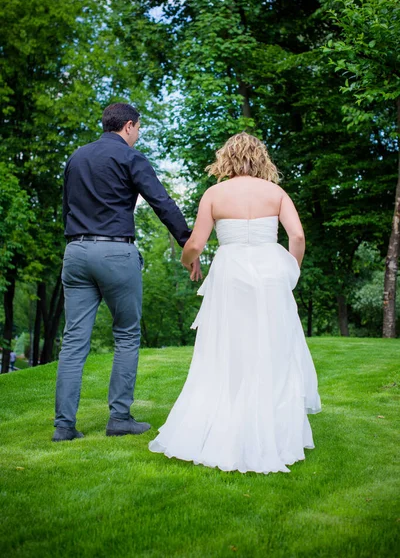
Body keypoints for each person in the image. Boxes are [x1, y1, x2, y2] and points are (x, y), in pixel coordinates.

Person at [149, 132, 321, 474]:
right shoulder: (276, 193)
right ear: (261, 159)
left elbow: (196, 243)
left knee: (227, 348)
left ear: (226, 159)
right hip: (271, 274)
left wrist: (188, 261)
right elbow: (298, 236)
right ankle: (271, 429)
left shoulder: (214, 194)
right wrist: (290, 270)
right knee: (272, 348)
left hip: (230, 276)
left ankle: (226, 421)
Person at [53, 103, 201, 442]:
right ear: (129, 126)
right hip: (116, 252)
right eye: (138, 129)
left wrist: (75, 239)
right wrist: (187, 245)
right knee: (127, 335)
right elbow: (161, 201)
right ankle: (119, 418)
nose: (137, 136)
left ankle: (64, 426)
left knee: (74, 341)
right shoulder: (129, 158)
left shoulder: (76, 157)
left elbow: (67, 206)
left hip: (75, 251)